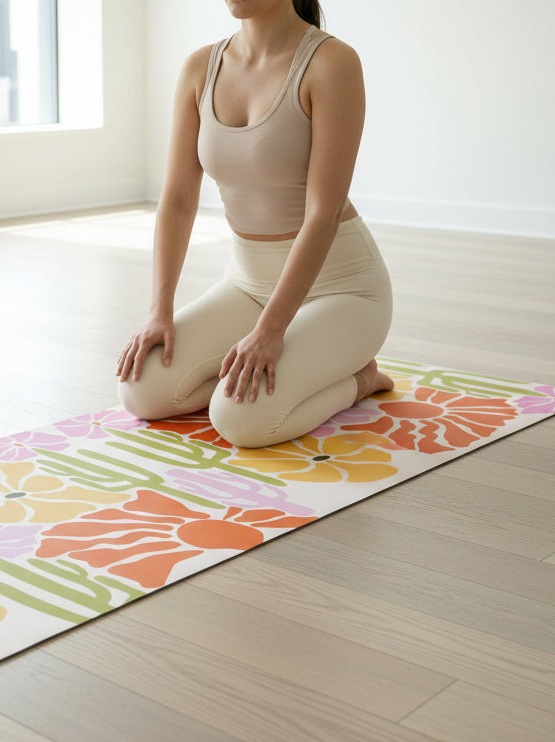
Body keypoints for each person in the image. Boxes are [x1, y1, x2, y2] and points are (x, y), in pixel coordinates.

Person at [116, 0, 394, 449]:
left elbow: (322, 212)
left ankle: (359, 379)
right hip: (247, 286)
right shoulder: (200, 67)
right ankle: (294, 376)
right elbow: (178, 200)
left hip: (342, 290)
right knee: (141, 390)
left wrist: (270, 331)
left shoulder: (331, 62)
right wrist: (159, 311)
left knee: (242, 422)